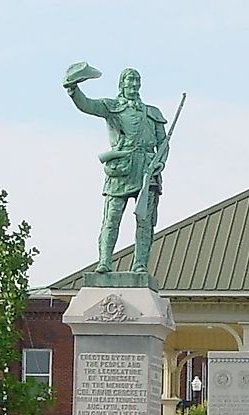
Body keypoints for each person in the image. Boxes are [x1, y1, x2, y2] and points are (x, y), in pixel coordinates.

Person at [64, 67, 167, 274]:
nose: (134, 85)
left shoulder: (152, 112)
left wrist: (160, 163)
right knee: (112, 218)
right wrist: (73, 89)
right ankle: (104, 261)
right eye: (130, 81)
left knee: (145, 222)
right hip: (121, 167)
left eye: (137, 81)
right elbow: (87, 105)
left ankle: (139, 265)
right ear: (122, 84)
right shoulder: (111, 107)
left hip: (147, 169)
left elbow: (163, 143)